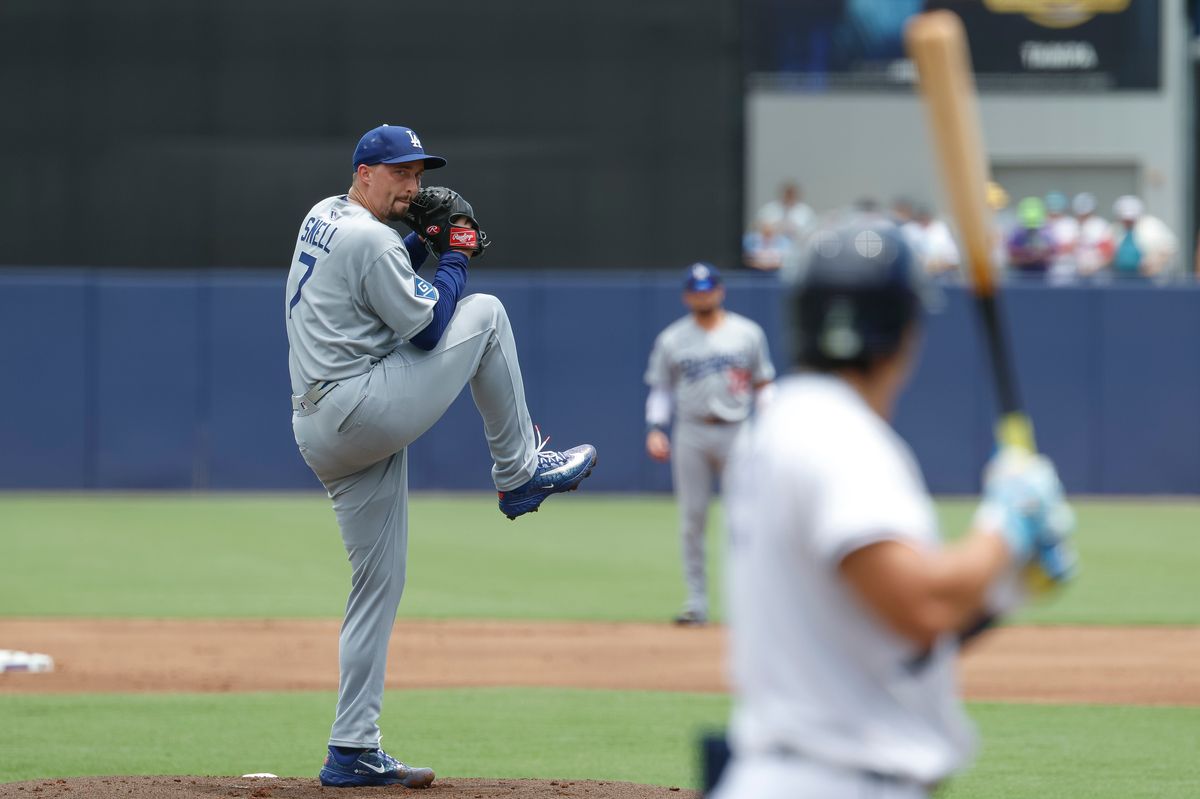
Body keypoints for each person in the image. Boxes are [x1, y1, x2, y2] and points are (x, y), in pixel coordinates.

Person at [710, 221, 1076, 799]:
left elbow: (884, 641)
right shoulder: (841, 435)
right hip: (835, 780)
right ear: (903, 333)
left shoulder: (788, 424)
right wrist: (1005, 527)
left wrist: (1003, 588)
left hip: (800, 772)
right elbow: (921, 604)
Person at [285, 124, 598, 788]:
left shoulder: (324, 214)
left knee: (380, 583)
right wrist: (454, 252)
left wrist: (421, 243)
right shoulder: (370, 237)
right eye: (399, 172)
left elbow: (375, 278)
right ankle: (519, 473)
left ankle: (351, 748)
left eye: (418, 173)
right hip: (357, 406)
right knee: (483, 315)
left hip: (324, 424)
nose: (413, 185)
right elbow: (428, 332)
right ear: (365, 172)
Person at [644, 263, 775, 626]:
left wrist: (769, 425)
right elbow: (661, 390)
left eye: (708, 288)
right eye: (696, 290)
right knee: (693, 519)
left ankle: (748, 605)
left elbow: (763, 384)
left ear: (720, 291)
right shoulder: (672, 339)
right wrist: (656, 427)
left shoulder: (747, 333)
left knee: (744, 519)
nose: (703, 295)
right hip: (692, 432)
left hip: (738, 431)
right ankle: (697, 603)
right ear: (688, 296)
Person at [1109, 195, 1178, 279]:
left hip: (1149, 277)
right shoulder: (1116, 229)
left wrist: (1156, 264)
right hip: (1121, 276)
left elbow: (1169, 248)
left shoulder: (1152, 226)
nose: (1127, 221)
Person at [1005, 196, 1054, 277]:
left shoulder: (1047, 233)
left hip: (1043, 276)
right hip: (1021, 276)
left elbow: (1051, 255)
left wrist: (1040, 256)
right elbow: (1011, 257)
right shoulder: (1017, 234)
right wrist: (1026, 258)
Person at [754, 182, 816, 246]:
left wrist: (795, 229)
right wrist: (777, 227)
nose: (789, 196)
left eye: (792, 194)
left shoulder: (806, 211)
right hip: (771, 247)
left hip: (798, 246)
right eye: (787, 193)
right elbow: (759, 226)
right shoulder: (769, 209)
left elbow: (811, 232)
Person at [1071, 192, 1114, 279]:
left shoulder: (1101, 225)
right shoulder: (1071, 225)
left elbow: (1109, 252)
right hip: (1075, 274)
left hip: (1098, 275)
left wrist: (1095, 267)